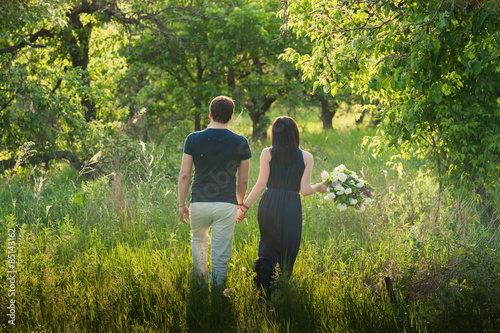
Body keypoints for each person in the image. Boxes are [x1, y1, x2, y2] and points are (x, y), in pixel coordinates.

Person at [237, 116, 327, 295]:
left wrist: (244, 207)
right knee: (288, 247)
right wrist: (318, 187)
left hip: (269, 203)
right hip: (291, 206)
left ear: (275, 134)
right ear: (295, 133)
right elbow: (305, 190)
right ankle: (282, 288)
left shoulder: (267, 153)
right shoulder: (307, 157)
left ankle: (262, 290)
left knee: (268, 246)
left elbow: (261, 184)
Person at [178, 96, 251, 287]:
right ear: (230, 117)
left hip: (199, 203)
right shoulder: (241, 142)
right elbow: (243, 179)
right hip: (226, 204)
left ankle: (201, 287)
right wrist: (240, 203)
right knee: (220, 254)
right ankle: (218, 295)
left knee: (199, 241)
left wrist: (181, 204)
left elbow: (185, 175)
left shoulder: (193, 139)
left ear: (210, 114)